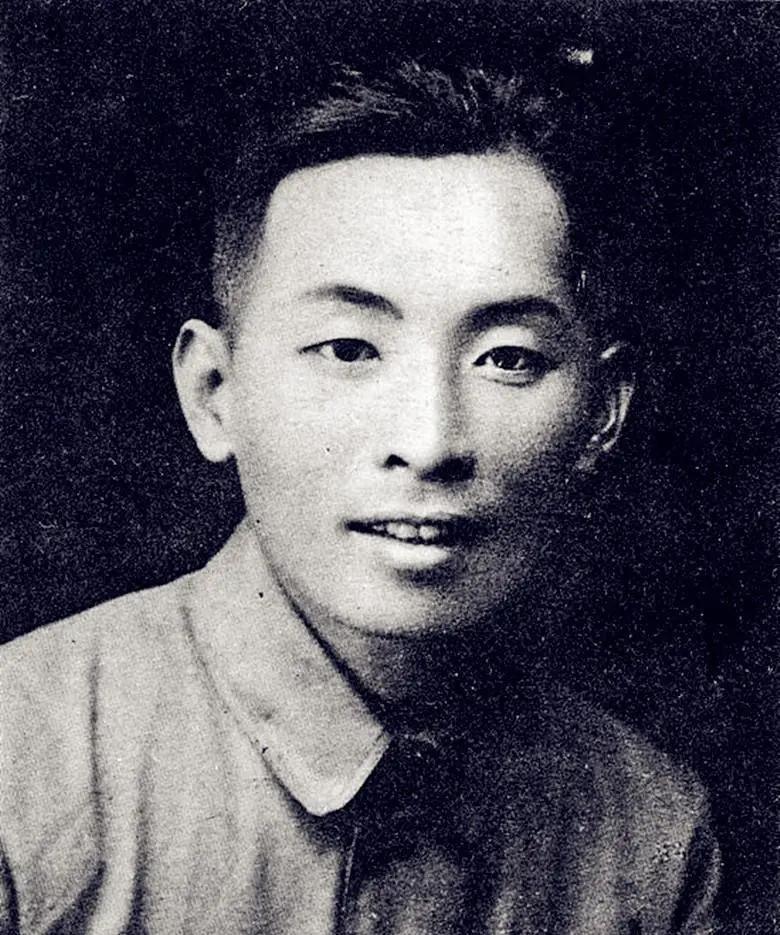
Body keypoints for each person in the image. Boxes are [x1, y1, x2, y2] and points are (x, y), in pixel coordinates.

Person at [0, 57, 719, 934]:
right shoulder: (18, 768)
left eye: (507, 358)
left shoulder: (652, 834)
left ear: (602, 414)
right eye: (348, 349)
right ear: (215, 392)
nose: (430, 441)